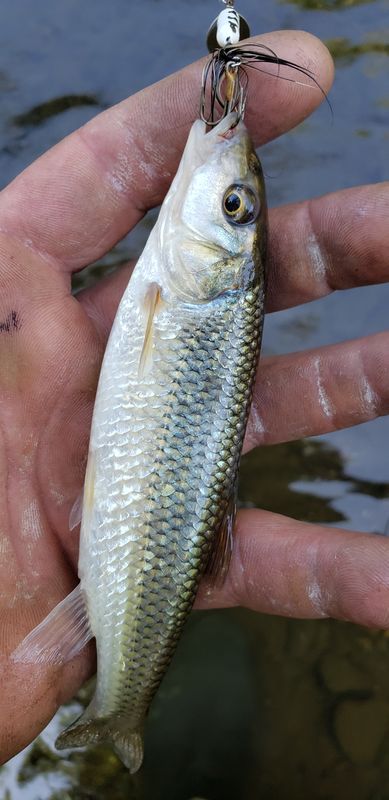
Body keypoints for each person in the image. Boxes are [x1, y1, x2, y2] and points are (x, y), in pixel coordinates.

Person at [0, 29, 387, 763]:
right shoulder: (189, 280)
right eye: (238, 206)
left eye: (231, 205)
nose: (227, 193)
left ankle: (122, 707)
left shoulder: (182, 286)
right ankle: (120, 709)